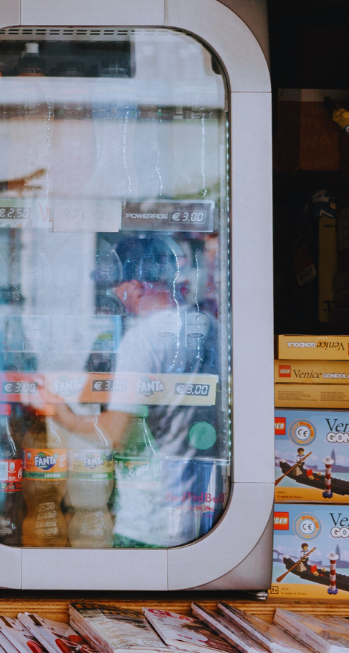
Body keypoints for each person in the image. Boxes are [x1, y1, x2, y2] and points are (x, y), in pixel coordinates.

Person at [50, 233, 221, 548]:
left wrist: (59, 412)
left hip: (150, 519)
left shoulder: (142, 340)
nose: (115, 294)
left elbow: (114, 434)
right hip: (203, 514)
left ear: (136, 286)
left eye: (118, 286)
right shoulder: (208, 326)